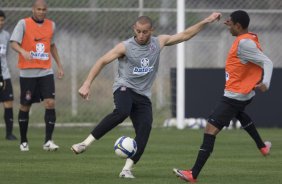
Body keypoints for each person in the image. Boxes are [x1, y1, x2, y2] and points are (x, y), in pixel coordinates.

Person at [71, 12, 221, 178]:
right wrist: (86, 83)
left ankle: (126, 169)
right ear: (134, 29)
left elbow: (185, 35)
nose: (141, 35)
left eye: (145, 32)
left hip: (143, 95)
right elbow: (102, 61)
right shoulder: (125, 47)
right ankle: (84, 144)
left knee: (145, 129)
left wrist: (207, 21)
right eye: (138, 31)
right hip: (124, 88)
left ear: (152, 30)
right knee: (122, 112)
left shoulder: (159, 42)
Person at [173, 10, 273, 183]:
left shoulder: (244, 44)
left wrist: (266, 82)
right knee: (240, 114)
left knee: (209, 130)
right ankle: (262, 147)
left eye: (231, 23)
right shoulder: (247, 37)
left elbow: (267, 62)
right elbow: (249, 52)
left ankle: (193, 174)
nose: (228, 26)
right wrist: (232, 23)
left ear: (239, 26)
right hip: (243, 94)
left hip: (234, 96)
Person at [10, 0, 64, 151]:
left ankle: (48, 141)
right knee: (25, 105)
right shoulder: (23, 23)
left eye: (44, 9)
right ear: (33, 9)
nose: (41, 12)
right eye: (38, 9)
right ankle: (23, 141)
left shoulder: (51, 25)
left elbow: (51, 45)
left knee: (50, 103)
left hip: (46, 71)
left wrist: (59, 65)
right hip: (27, 73)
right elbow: (13, 43)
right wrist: (23, 51)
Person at [0, 10, 17, 140]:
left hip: (5, 75)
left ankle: (9, 133)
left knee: (8, 102)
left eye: (2, 20)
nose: (1, 22)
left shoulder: (6, 35)